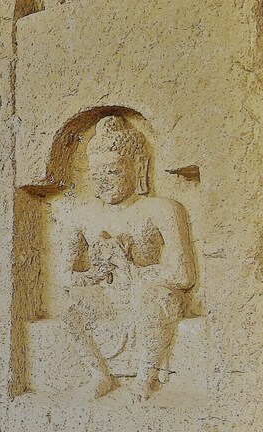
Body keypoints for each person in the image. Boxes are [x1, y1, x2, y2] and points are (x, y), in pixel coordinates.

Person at [60, 115, 196, 401]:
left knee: (153, 297)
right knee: (72, 302)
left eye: (112, 173)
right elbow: (65, 276)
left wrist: (132, 270)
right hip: (109, 295)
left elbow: (183, 275)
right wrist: (95, 273)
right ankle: (101, 375)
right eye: (96, 176)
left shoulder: (162, 209)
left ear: (139, 167)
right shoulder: (83, 217)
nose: (103, 183)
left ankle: (145, 377)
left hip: (148, 294)